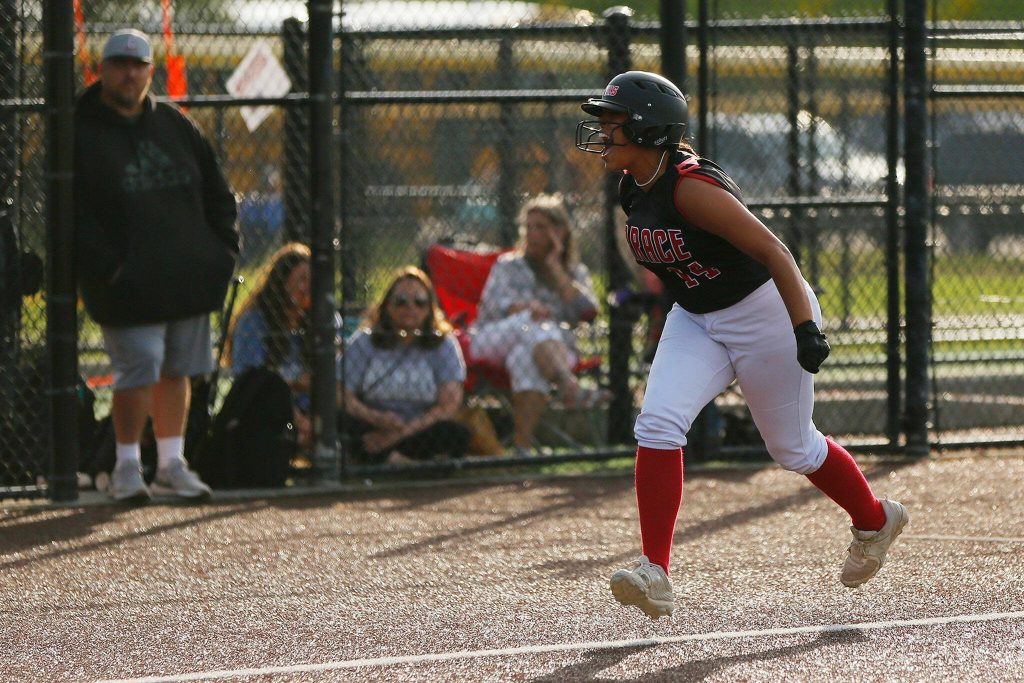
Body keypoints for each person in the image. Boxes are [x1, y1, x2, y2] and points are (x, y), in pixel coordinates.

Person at [575, 71, 909, 619]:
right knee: (657, 423)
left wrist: (805, 327)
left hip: (766, 312)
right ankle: (654, 571)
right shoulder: (632, 185)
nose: (601, 133)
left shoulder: (691, 189)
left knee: (793, 448)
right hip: (699, 316)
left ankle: (875, 520)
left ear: (647, 129)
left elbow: (776, 252)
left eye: (612, 123)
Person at [74, 29, 239, 502]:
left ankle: (170, 464)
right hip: (126, 284)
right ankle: (127, 466)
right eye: (120, 63)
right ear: (102, 69)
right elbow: (74, 211)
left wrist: (220, 251)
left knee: (179, 369)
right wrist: (109, 269)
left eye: (138, 65)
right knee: (140, 366)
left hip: (184, 276)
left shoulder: (173, 123)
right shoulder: (82, 129)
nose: (129, 73)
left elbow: (217, 191)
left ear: (150, 71)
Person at [470, 194, 606, 451]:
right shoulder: (508, 265)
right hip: (493, 340)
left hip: (551, 352)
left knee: (526, 356)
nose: (531, 233)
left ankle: (521, 450)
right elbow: (493, 307)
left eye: (540, 227)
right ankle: (570, 387)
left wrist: (555, 268)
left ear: (560, 232)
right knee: (533, 322)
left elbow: (588, 312)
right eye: (528, 227)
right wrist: (526, 308)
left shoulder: (574, 272)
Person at [341, 267, 471, 466]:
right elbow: (341, 393)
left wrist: (399, 433)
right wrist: (375, 417)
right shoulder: (365, 341)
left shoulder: (443, 343)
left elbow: (448, 404)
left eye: (419, 302)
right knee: (340, 422)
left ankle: (390, 460)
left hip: (417, 427)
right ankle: (406, 463)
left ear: (430, 308)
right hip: (373, 424)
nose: (410, 308)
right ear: (387, 306)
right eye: (401, 301)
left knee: (456, 433)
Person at [224, 242, 319, 453]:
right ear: (282, 282)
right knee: (272, 400)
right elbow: (250, 380)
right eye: (302, 279)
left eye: (313, 280)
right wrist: (295, 384)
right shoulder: (255, 321)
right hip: (268, 408)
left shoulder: (320, 321)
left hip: (310, 407)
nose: (308, 287)